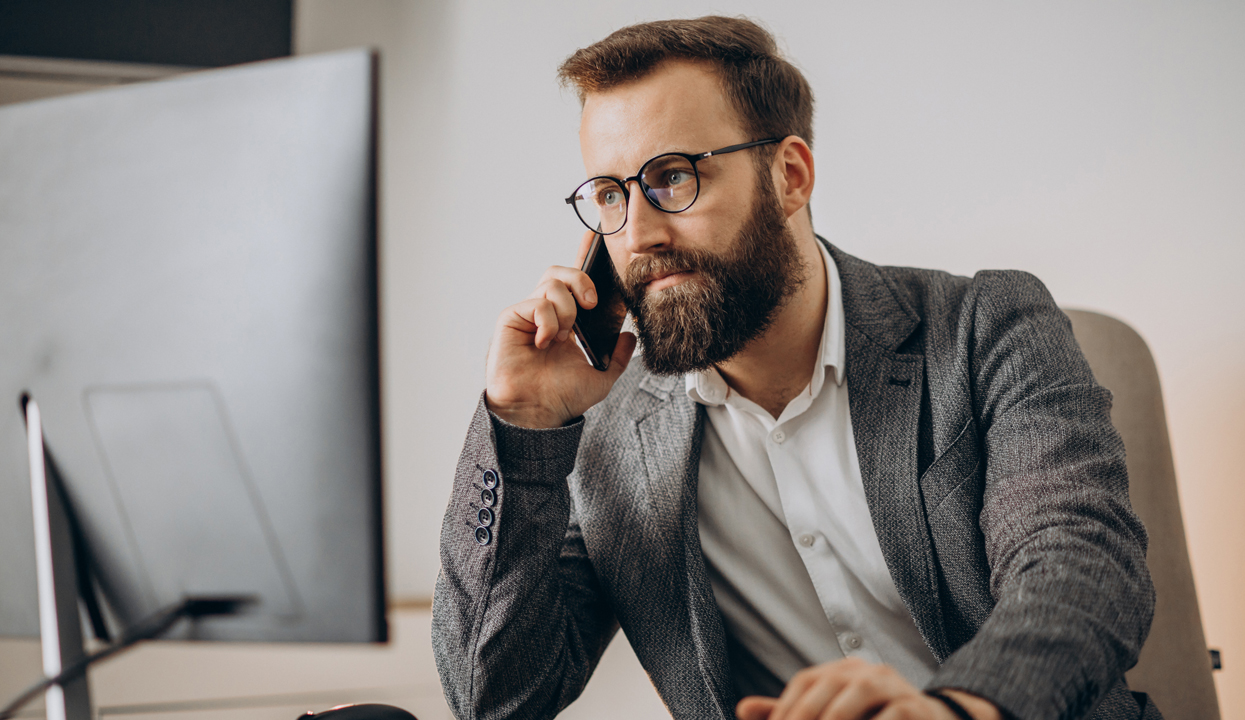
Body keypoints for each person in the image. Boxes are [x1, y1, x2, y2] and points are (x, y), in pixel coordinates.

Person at [432, 16, 1157, 720]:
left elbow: (1081, 566)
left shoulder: (983, 327)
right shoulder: (606, 431)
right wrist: (522, 426)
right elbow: (496, 698)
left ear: (789, 175)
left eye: (673, 179)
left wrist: (959, 710)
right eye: (612, 196)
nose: (640, 235)